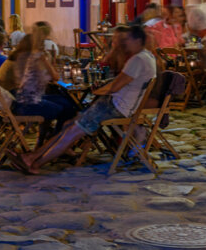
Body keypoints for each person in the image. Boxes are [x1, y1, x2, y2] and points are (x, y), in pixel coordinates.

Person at [18, 24, 157, 173]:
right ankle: (33, 156)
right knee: (69, 124)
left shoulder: (137, 60)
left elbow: (114, 87)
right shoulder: (147, 57)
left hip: (115, 107)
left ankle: (37, 163)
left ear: (137, 40)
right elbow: (117, 82)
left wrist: (97, 91)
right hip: (119, 105)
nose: (125, 42)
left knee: (73, 131)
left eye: (127, 39)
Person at [9, 22, 77, 138]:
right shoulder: (39, 56)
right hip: (29, 104)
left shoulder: (28, 54)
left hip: (21, 99)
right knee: (70, 108)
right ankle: (56, 141)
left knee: (65, 101)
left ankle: (47, 141)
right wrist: (47, 61)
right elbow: (55, 78)